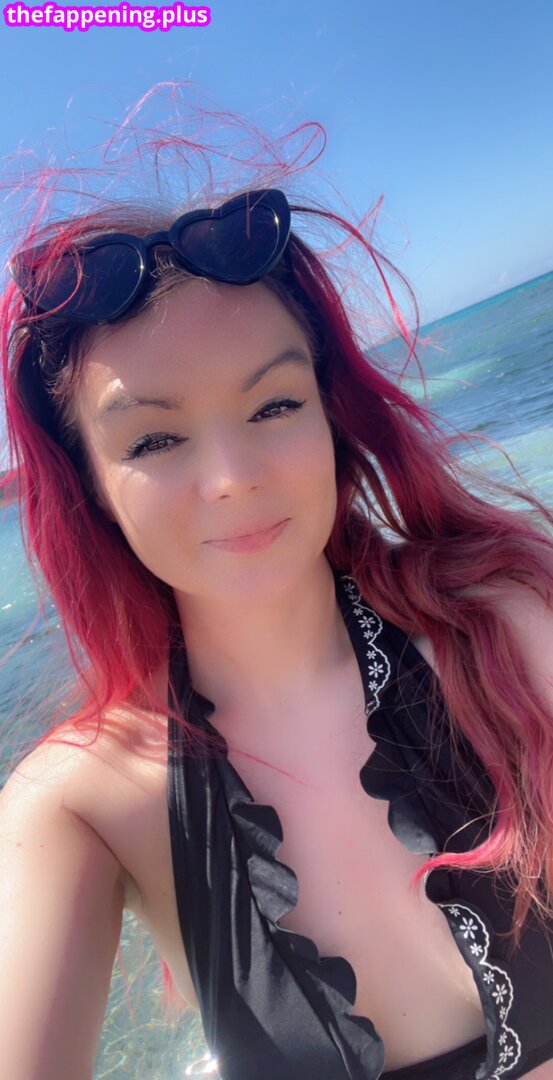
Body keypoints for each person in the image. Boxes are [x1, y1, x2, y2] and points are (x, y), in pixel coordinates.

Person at [1, 112, 553, 1080]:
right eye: (154, 439)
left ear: (330, 415)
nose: (232, 478)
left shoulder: (501, 626)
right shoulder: (82, 805)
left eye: (273, 405)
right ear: (90, 483)